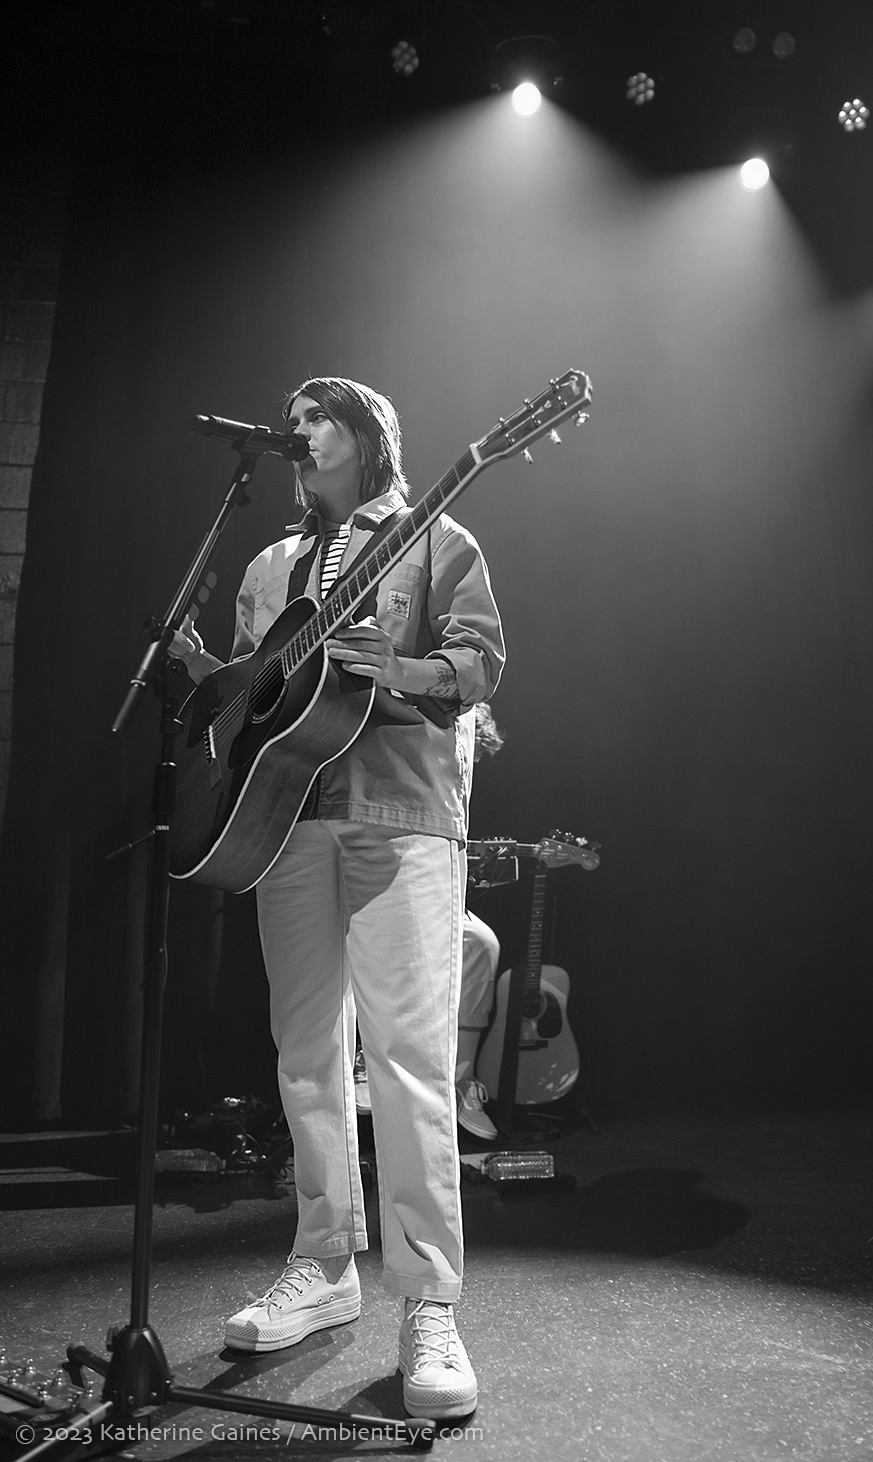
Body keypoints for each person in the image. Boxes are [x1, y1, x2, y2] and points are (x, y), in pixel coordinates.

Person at [170, 376, 504, 1421]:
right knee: (304, 1055)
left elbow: (481, 660)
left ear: (367, 436)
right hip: (288, 820)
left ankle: (428, 1302)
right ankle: (322, 1267)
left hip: (401, 820)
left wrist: (402, 664)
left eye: (317, 415)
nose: (297, 430)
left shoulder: (435, 537)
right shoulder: (269, 566)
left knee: (407, 1063)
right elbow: (271, 693)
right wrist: (211, 680)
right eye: (292, 416)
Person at [354, 701, 504, 1141]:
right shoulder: (401, 742)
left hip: (430, 874)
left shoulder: (457, 783)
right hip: (374, 853)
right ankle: (365, 1061)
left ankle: (461, 1081)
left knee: (480, 941)